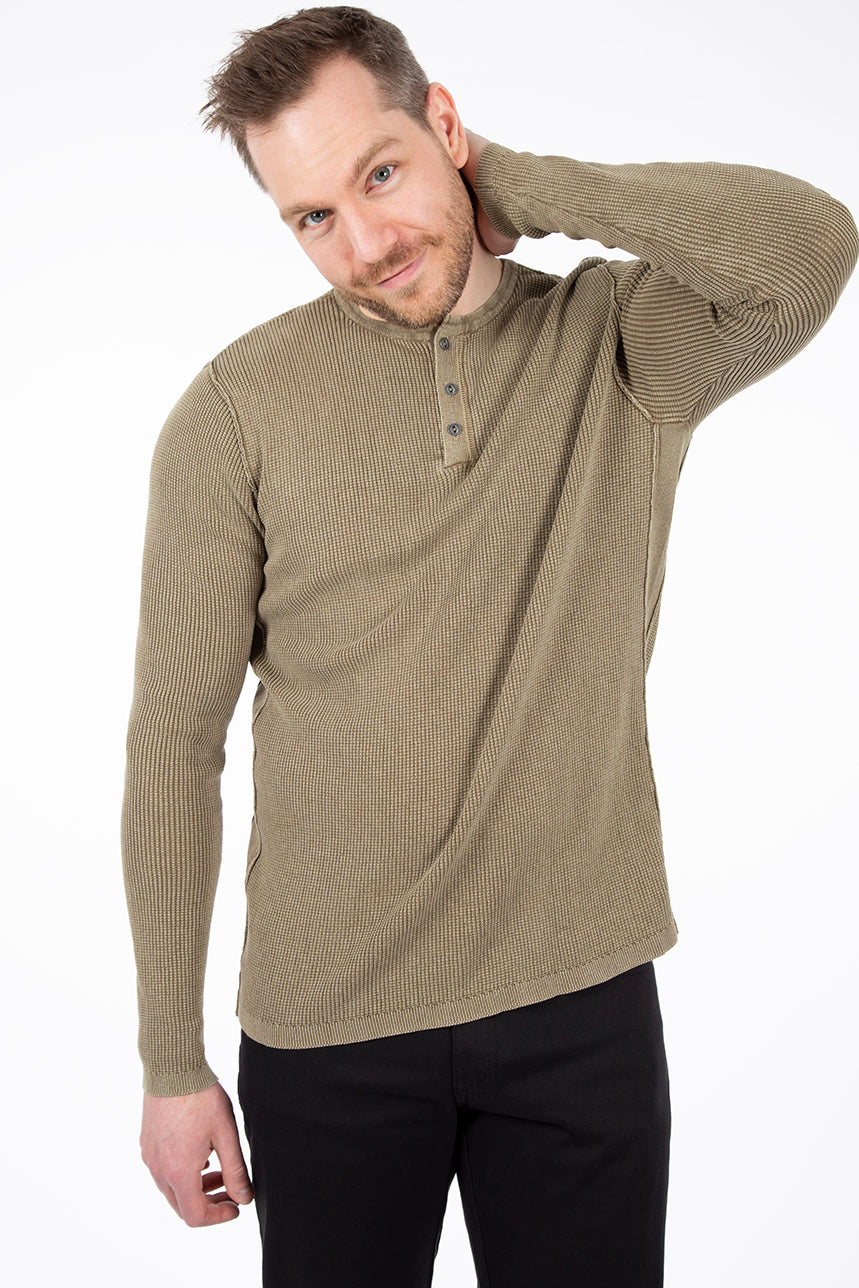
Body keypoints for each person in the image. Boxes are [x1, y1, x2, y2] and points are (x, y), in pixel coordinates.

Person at [121, 7, 857, 1286]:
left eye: (382, 173)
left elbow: (809, 247)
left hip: (578, 1004)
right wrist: (169, 1065)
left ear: (446, 126)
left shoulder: (623, 346)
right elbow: (174, 743)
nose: (365, 244)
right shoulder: (234, 410)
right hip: (327, 1028)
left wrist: (518, 185)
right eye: (312, 217)